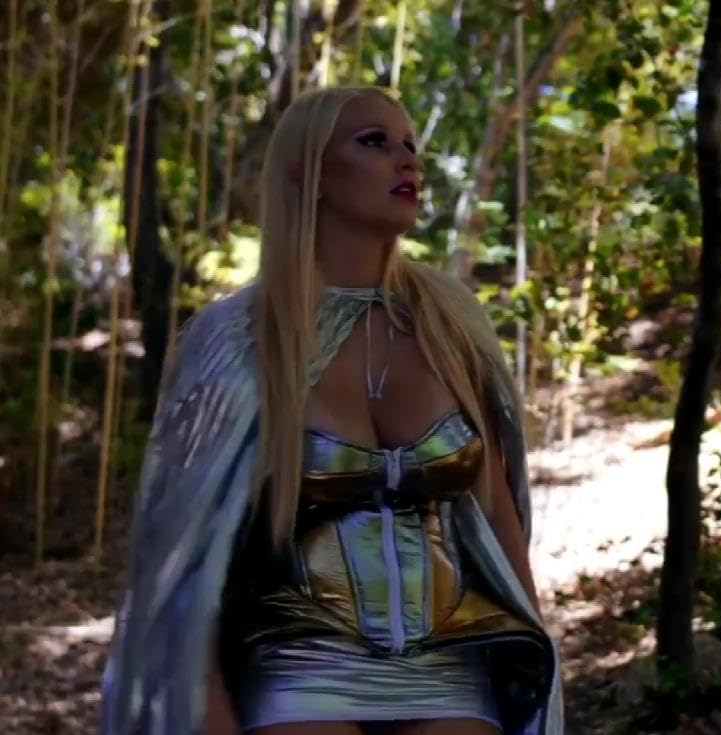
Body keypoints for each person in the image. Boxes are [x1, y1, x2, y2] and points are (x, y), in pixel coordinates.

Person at [100, 86, 563, 735]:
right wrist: (207, 709)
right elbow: (183, 557)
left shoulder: (449, 320)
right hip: (301, 662)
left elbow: (496, 513)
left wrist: (541, 669)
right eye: (375, 142)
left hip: (452, 660)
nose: (407, 160)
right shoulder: (239, 336)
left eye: (410, 145)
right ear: (308, 172)